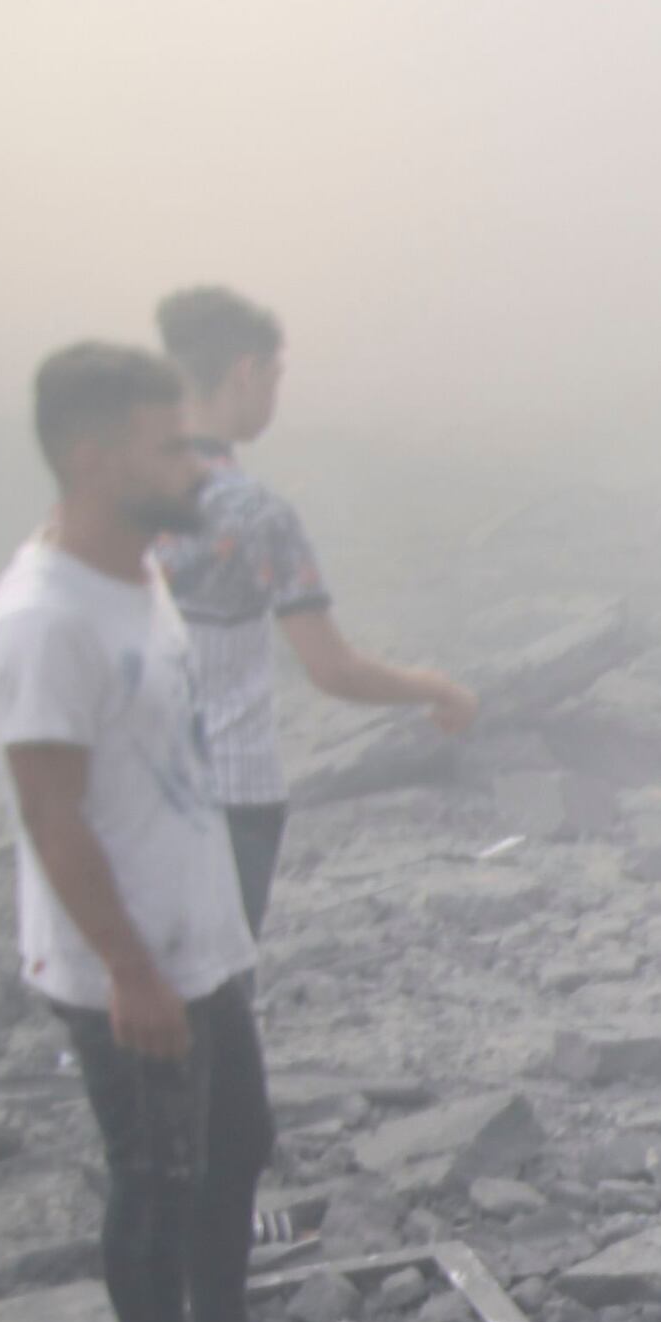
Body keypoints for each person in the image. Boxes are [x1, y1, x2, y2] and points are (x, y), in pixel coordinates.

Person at [0, 349, 314, 1322]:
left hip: (198, 931)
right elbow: (50, 812)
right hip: (122, 959)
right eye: (170, 446)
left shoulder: (138, 566)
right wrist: (129, 970)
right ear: (93, 455)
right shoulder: (41, 618)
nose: (195, 463)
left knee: (239, 1138)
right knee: (155, 1172)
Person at [148, 288, 474, 932]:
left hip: (127, 794)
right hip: (227, 795)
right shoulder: (254, 512)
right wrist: (437, 688)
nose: (274, 395)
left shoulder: (109, 499)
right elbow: (332, 670)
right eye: (275, 378)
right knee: (212, 1002)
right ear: (247, 372)